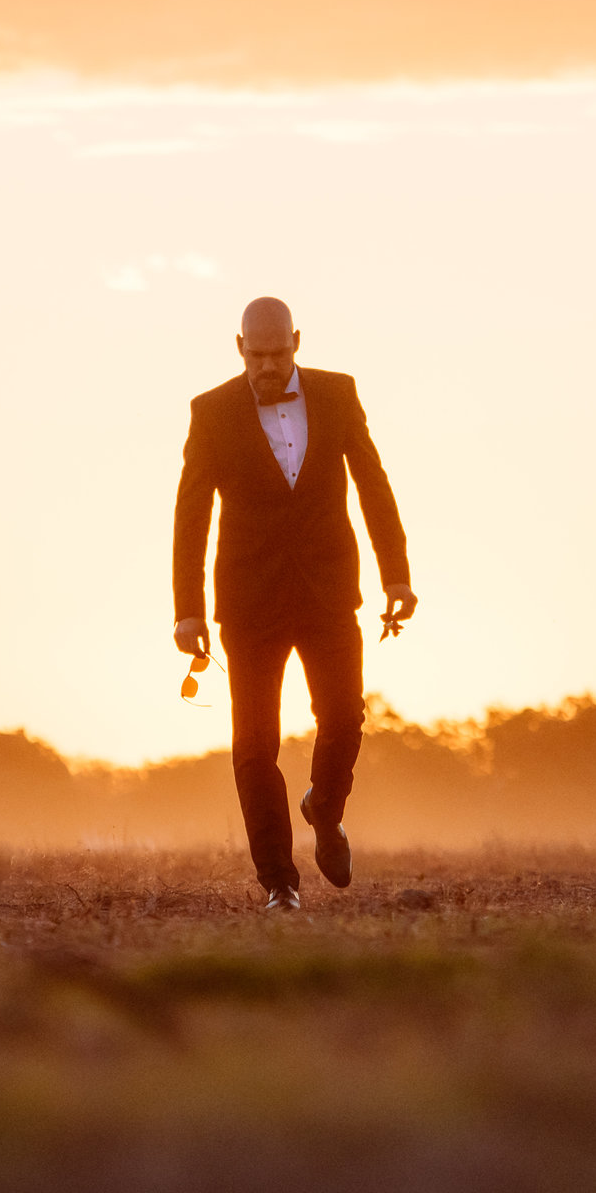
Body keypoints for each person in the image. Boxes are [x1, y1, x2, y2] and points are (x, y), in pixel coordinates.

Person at [172, 297, 416, 910]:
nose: (267, 367)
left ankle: (325, 809)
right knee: (254, 746)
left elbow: (373, 483)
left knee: (343, 717)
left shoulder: (338, 394)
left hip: (330, 590)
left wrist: (397, 577)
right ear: (239, 348)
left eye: (278, 354)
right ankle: (279, 883)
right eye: (256, 356)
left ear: (297, 343)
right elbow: (191, 514)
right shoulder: (211, 412)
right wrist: (188, 610)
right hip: (249, 604)